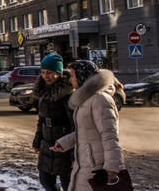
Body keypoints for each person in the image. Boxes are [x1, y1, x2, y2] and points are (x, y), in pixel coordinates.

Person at [50, 60, 127, 191]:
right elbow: (86, 131)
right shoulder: (86, 99)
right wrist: (65, 142)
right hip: (85, 164)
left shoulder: (100, 99)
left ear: (82, 76)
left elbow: (110, 135)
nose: (70, 80)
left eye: (73, 75)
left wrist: (112, 168)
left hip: (97, 167)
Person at [32, 54, 74, 191]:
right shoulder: (43, 92)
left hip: (64, 145)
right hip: (46, 144)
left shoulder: (67, 94)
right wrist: (37, 140)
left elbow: (74, 124)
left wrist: (73, 151)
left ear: (58, 73)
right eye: (43, 72)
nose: (46, 76)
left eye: (49, 73)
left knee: (68, 184)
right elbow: (41, 119)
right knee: (46, 182)